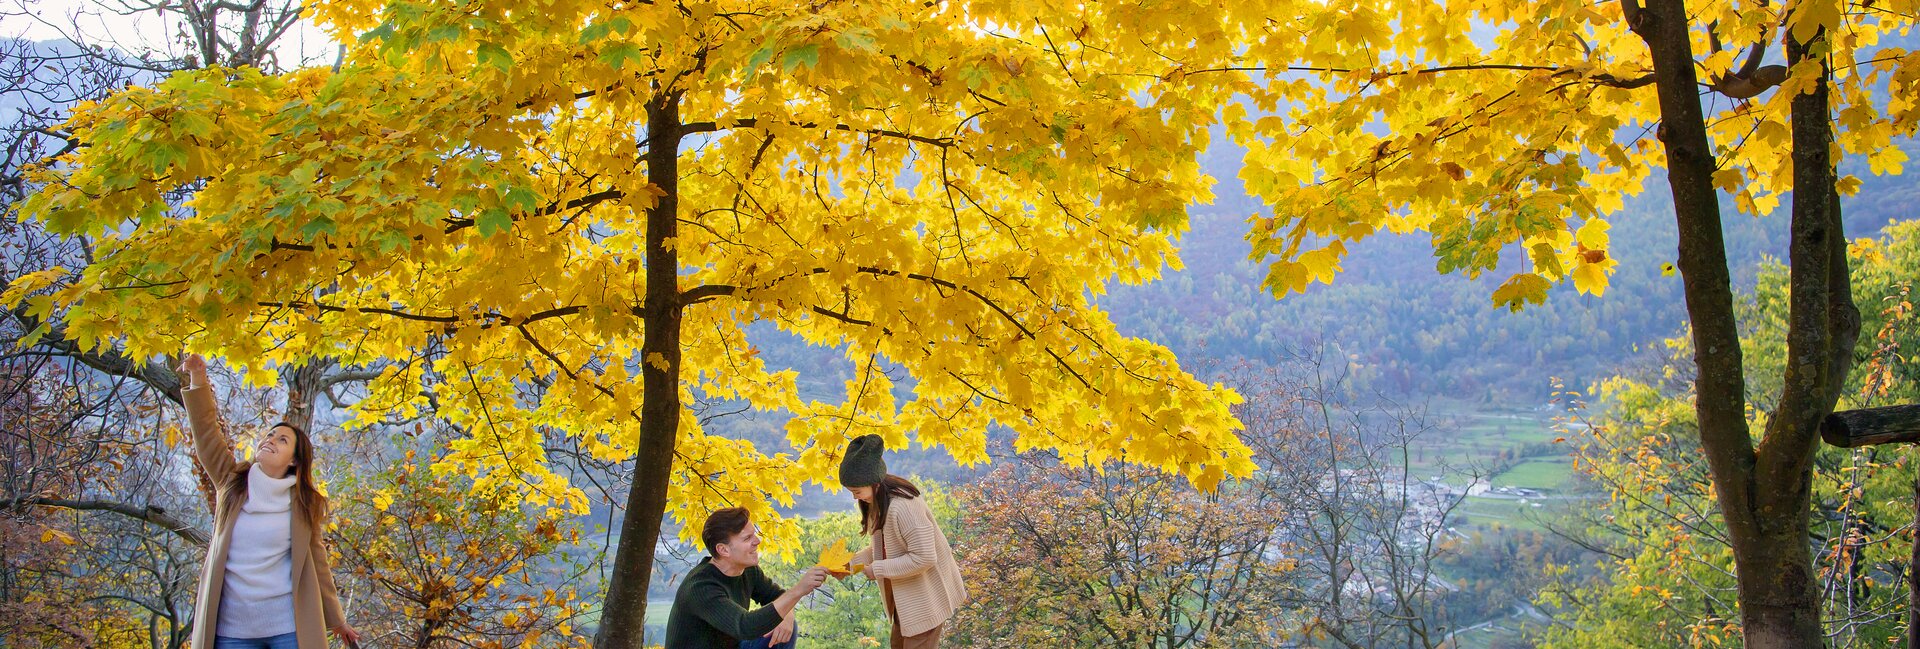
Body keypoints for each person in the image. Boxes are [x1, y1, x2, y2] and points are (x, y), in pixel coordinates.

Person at [178, 354, 358, 649]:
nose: (271, 440)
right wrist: (198, 377)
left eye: (282, 440)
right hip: (232, 631)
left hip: (287, 628)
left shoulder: (302, 503)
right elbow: (206, 432)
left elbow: (318, 561)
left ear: (295, 460)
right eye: (270, 435)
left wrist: (335, 619)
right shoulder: (231, 481)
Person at [839, 434, 967, 649]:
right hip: (905, 603)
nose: (854, 498)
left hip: (925, 600)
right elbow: (883, 548)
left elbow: (924, 557)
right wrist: (849, 564)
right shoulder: (878, 502)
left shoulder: (903, 506)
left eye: (856, 491)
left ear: (873, 482)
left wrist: (877, 569)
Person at [666, 507, 830, 649]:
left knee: (784, 626)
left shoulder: (747, 570)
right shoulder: (700, 588)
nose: (757, 541)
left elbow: (776, 595)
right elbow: (745, 626)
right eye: (747, 538)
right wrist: (799, 590)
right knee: (775, 622)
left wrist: (788, 615)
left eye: (754, 535)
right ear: (723, 550)